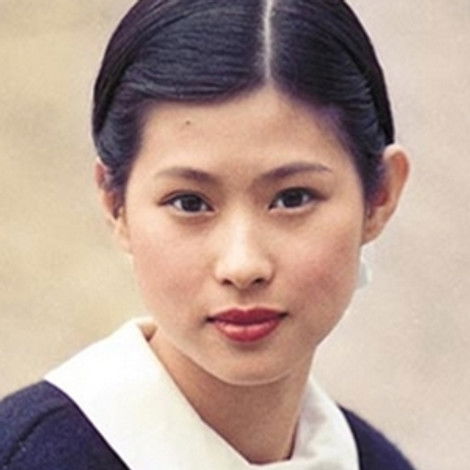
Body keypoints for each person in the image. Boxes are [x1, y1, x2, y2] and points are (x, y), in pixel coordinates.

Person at [0, 0, 415, 468]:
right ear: (116, 204)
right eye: (190, 203)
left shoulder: (372, 460)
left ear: (380, 195)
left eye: (293, 198)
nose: (243, 265)